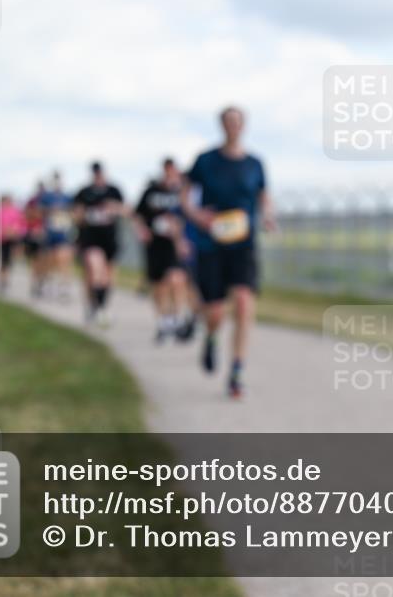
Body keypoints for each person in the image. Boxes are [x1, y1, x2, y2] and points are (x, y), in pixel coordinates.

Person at [180, 106, 275, 398]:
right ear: (221, 125)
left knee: (245, 301)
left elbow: (263, 197)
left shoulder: (255, 163)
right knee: (216, 311)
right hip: (212, 244)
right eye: (228, 121)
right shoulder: (206, 160)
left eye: (237, 121)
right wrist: (195, 215)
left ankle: (236, 370)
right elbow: (184, 194)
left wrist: (268, 216)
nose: (233, 126)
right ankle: (210, 337)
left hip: (243, 244)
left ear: (243, 125)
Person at [133, 158, 198, 344]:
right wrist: (141, 230)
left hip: (175, 245)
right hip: (155, 245)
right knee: (159, 286)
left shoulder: (183, 192)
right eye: (167, 171)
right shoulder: (151, 192)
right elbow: (137, 215)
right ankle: (164, 321)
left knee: (177, 279)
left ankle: (178, 319)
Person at [73, 162, 124, 326]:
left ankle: (100, 305)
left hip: (109, 239)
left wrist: (113, 209)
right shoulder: (84, 192)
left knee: (107, 277)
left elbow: (126, 210)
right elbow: (76, 215)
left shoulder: (114, 191)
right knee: (95, 270)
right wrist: (82, 215)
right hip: (90, 238)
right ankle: (98, 308)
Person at [40, 171, 76, 301]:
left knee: (63, 259)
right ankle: (48, 283)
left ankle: (64, 287)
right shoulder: (47, 197)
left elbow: (74, 212)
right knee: (50, 260)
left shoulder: (68, 197)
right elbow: (39, 212)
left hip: (64, 233)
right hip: (50, 233)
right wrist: (50, 210)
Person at [0, 194, 26, 294]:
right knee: (3, 261)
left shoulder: (15, 212)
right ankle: (2, 279)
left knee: (8, 261)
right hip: (1, 240)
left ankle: (4, 278)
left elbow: (21, 226)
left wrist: (15, 232)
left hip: (12, 239)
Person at [24, 181, 48, 297]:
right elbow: (27, 217)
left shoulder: (48, 201)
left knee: (43, 261)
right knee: (35, 261)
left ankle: (40, 281)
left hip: (45, 236)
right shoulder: (32, 201)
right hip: (33, 236)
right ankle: (36, 283)